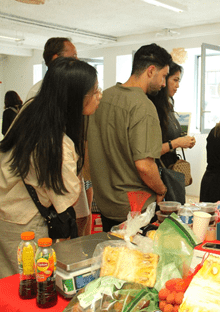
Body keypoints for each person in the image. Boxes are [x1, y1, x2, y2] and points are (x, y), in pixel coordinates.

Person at [0, 57, 99, 278]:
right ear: (74, 98)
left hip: (8, 211)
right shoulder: (56, 142)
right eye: (94, 91)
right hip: (27, 225)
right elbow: (66, 196)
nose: (99, 95)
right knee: (29, 284)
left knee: (8, 281)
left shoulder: (31, 110)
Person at [87, 43, 171, 232]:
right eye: (164, 75)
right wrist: (161, 189)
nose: (164, 83)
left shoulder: (103, 97)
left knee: (115, 258)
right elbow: (144, 166)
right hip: (135, 208)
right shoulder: (143, 106)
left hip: (106, 203)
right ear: (150, 71)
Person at [148, 61, 196, 168]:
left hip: (171, 166)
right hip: (159, 168)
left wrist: (185, 141)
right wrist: (177, 143)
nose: (177, 86)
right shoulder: (152, 107)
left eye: (178, 81)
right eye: (175, 80)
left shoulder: (168, 106)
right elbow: (150, 151)